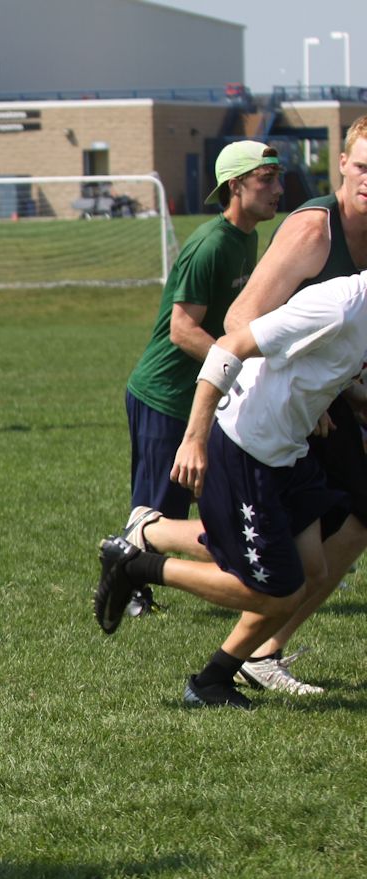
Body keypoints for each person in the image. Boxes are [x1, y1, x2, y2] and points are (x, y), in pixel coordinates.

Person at [130, 117, 367, 695]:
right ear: (341, 163)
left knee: (324, 535)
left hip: (310, 403)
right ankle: (153, 553)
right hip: (262, 406)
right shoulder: (311, 231)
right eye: (363, 166)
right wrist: (311, 393)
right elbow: (238, 323)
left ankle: (156, 540)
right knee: (284, 563)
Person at [94, 270, 367, 708]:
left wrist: (319, 397)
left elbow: (320, 364)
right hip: (246, 448)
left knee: (311, 571)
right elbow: (231, 346)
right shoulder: (340, 306)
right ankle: (136, 567)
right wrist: (194, 438)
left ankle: (212, 681)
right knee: (276, 592)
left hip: (287, 451)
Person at [116, 141, 284, 616]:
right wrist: (237, 366)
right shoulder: (211, 244)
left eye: (278, 177)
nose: (277, 189)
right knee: (156, 506)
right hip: (164, 394)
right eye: (266, 179)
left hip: (200, 392)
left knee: (197, 497)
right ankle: (130, 591)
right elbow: (182, 330)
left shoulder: (246, 238)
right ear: (236, 186)